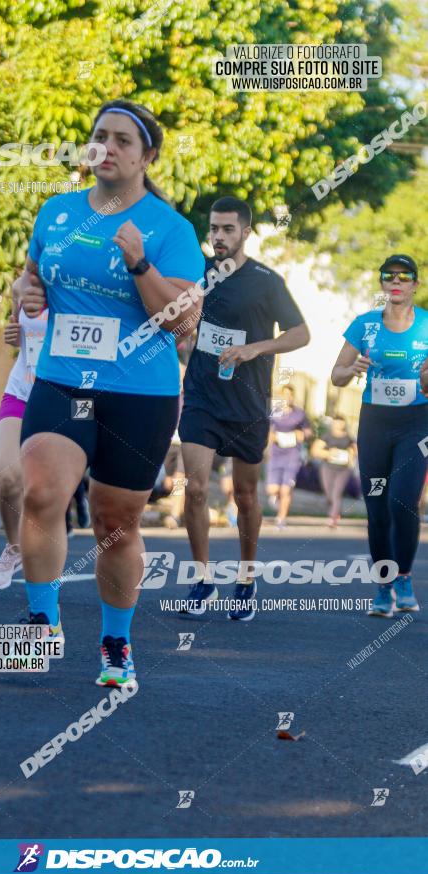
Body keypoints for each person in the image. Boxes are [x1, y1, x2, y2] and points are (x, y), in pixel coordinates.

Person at [13, 98, 206, 686]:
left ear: (147, 156)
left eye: (124, 140)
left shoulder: (170, 229)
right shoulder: (57, 211)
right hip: (63, 378)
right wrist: (27, 294)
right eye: (101, 136)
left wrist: (141, 264)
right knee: (42, 491)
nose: (109, 147)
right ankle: (42, 622)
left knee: (114, 522)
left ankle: (116, 643)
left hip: (138, 393)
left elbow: (182, 321)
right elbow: (30, 272)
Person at [179, 196, 310, 619]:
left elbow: (301, 332)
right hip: (201, 395)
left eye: (227, 229)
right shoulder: (195, 272)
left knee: (245, 495)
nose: (218, 236)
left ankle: (247, 577)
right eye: (214, 229)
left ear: (246, 232)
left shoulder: (266, 281)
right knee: (196, 489)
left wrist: (257, 348)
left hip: (248, 403)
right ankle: (202, 581)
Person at [330, 253, 428, 616]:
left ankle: (403, 577)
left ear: (415, 284)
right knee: (377, 508)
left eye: (405, 277)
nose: (397, 282)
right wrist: (352, 368)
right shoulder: (365, 325)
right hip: (374, 424)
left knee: (403, 501)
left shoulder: (427, 327)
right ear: (383, 283)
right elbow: (336, 376)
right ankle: (384, 585)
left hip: (417, 424)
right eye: (390, 276)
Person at [0, 303, 47, 589]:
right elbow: (18, 331)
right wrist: (13, 334)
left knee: (44, 492)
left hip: (64, 398)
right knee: (9, 479)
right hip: (20, 391)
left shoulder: (85, 280)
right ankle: (14, 548)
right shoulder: (23, 285)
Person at [266, 384, 311, 529]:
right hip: (276, 454)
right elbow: (267, 429)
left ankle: (281, 518)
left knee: (286, 489)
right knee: (273, 489)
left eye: (290, 395)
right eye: (284, 395)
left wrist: (302, 435)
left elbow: (309, 432)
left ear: (293, 397)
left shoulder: (300, 414)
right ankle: (276, 498)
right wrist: (271, 436)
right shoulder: (275, 412)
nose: (287, 398)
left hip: (292, 455)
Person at [310, 415, 357, 528]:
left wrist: (351, 453)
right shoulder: (327, 436)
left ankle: (332, 518)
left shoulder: (348, 437)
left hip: (343, 469)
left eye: (341, 423)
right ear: (333, 424)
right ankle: (336, 511)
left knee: (337, 492)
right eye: (337, 422)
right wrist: (329, 453)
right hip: (328, 467)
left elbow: (355, 450)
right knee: (329, 493)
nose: (339, 425)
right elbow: (315, 450)